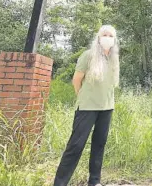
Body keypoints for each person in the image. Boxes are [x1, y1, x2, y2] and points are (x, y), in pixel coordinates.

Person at [54, 25, 120, 186]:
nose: (107, 38)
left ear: (114, 39)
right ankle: (60, 183)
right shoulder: (88, 56)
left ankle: (94, 181)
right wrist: (83, 98)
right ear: (98, 37)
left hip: (107, 108)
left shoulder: (114, 59)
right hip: (87, 107)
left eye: (110, 35)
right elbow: (76, 80)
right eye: (104, 34)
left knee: (99, 144)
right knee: (76, 145)